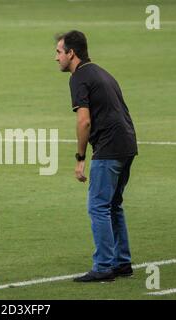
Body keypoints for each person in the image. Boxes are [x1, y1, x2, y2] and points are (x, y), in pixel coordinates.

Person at [55, 31, 138, 282]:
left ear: (72, 53)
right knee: (113, 205)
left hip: (109, 147)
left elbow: (84, 121)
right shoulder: (102, 72)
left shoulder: (79, 78)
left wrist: (80, 157)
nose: (55, 57)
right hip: (127, 143)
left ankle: (103, 267)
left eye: (59, 52)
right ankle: (122, 262)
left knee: (98, 206)